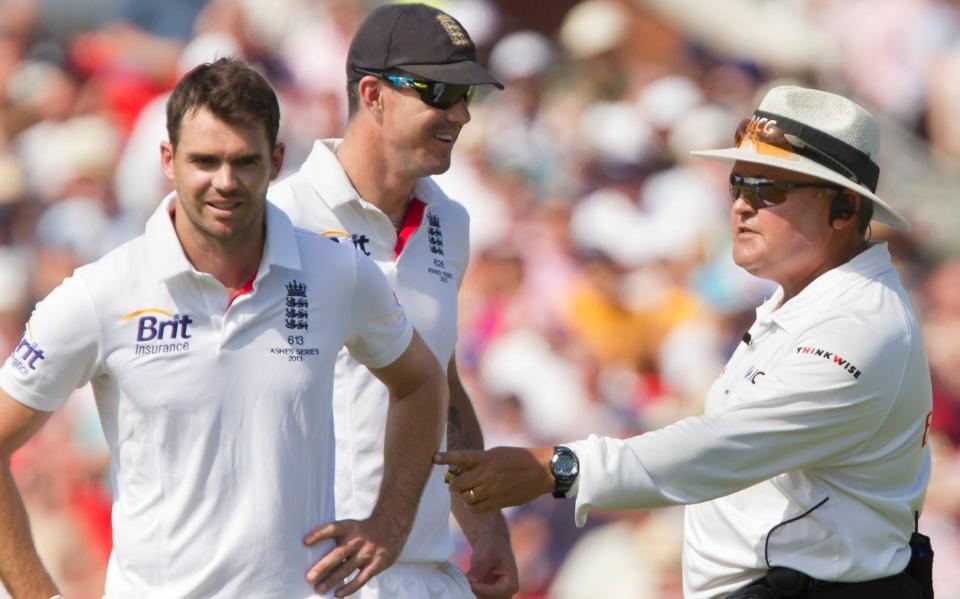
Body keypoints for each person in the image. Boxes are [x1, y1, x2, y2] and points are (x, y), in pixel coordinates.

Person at [436, 86, 934, 598]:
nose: (742, 205)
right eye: (739, 184)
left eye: (769, 190)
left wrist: (557, 468)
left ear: (844, 209)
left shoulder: (858, 325)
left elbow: (727, 447)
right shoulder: (816, 304)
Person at [0, 57, 447, 599]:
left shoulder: (339, 273)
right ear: (168, 160)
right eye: (204, 161)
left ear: (277, 161)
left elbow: (423, 382)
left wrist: (391, 526)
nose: (225, 182)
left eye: (245, 161)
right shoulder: (102, 293)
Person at [269, 4, 518, 598]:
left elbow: (443, 380)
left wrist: (484, 526)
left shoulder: (450, 222)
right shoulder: (279, 219)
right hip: (308, 574)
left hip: (427, 571)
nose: (459, 114)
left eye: (467, 97)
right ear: (373, 93)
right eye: (440, 92)